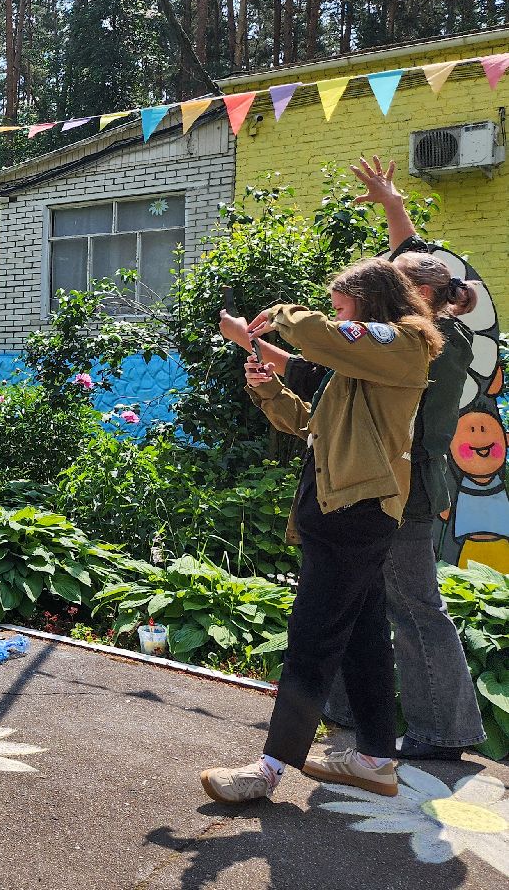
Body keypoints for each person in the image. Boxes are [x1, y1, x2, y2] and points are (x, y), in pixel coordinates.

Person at [202, 256, 441, 803]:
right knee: (361, 639)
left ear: (369, 301)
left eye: (341, 306)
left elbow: (323, 337)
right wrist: (268, 388)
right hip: (343, 512)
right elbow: (313, 427)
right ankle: (376, 759)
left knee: (311, 638)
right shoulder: (363, 369)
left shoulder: (402, 344)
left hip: (352, 516)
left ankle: (268, 769)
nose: (335, 316)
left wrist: (278, 318)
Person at [320, 156, 487, 759]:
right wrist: (392, 204)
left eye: (390, 282)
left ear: (415, 295)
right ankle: (345, 711)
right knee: (356, 595)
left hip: (406, 489)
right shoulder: (426, 323)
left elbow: (407, 271)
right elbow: (411, 256)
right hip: (387, 483)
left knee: (415, 606)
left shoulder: (428, 345)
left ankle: (443, 731)